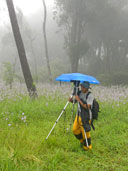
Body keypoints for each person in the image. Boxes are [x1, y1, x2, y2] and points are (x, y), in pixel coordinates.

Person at [69, 81, 93, 150]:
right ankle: (82, 142)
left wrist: (79, 99)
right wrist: (71, 100)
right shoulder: (79, 93)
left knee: (85, 132)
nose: (81, 88)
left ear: (87, 88)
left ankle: (88, 147)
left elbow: (87, 107)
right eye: (81, 86)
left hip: (86, 116)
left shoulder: (90, 95)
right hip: (78, 114)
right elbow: (74, 101)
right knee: (75, 130)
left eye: (83, 87)